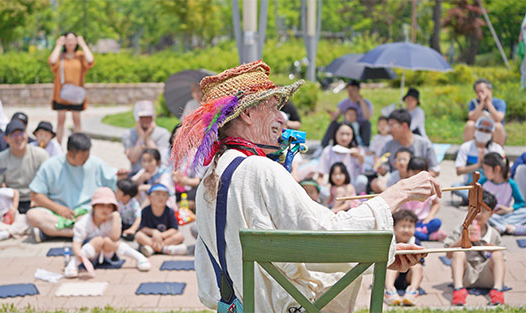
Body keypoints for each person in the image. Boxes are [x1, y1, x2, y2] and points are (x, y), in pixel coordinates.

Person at [171, 61, 434, 313]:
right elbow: (326, 236)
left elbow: (300, 247)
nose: (282, 119)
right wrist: (397, 193)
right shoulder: (260, 169)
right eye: (273, 108)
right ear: (248, 114)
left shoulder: (213, 172)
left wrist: (382, 254)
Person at [26, 133, 117, 242]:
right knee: (32, 215)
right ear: (70, 154)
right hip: (57, 213)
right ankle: (82, 233)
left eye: (87, 155)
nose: (86, 160)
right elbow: (35, 195)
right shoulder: (51, 165)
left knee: (103, 216)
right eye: (82, 157)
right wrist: (58, 209)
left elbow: (113, 183)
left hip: (86, 213)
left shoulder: (95, 163)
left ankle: (51, 233)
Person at [64, 187, 151, 278]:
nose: (105, 209)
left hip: (107, 255)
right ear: (94, 206)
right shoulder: (84, 222)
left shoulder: (112, 220)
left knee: (106, 241)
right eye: (101, 205)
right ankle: (73, 265)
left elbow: (115, 238)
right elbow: (76, 244)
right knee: (98, 240)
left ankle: (139, 257)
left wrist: (116, 217)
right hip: (87, 256)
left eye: (109, 206)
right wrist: (80, 257)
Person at [444, 191, 505, 306]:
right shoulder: (461, 229)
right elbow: (447, 254)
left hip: (487, 275)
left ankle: (498, 290)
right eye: (474, 209)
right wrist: (462, 240)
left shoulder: (494, 234)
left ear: (491, 214)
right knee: (458, 252)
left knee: (498, 253)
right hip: (466, 275)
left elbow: (501, 261)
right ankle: (458, 290)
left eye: (483, 211)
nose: (478, 214)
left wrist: (492, 249)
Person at [0, 119, 50, 213]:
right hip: (11, 201)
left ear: (26, 135)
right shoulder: (0, 159)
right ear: (6, 139)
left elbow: (49, 182)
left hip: (36, 199)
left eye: (21, 133)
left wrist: (40, 199)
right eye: (14, 135)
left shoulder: (41, 155)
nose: (19, 138)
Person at [48, 32, 95, 143]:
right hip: (61, 94)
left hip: (76, 94)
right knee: (60, 120)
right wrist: (58, 45)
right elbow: (52, 61)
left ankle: (78, 145)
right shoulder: (60, 57)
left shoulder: (80, 56)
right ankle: (58, 147)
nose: (70, 42)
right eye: (68, 40)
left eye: (73, 40)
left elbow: (90, 60)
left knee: (77, 120)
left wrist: (83, 44)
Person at [452, 116, 504, 205]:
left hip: (490, 186)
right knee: (455, 187)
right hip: (469, 186)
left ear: (491, 133)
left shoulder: (496, 149)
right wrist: (477, 165)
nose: (483, 133)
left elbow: (500, 173)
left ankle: (475, 199)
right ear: (476, 130)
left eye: (487, 131)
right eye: (481, 129)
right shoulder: (466, 147)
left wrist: (486, 164)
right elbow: (459, 171)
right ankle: (479, 199)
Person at [380, 109, 439, 176]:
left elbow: (435, 170)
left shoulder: (424, 144)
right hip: (396, 183)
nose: (389, 130)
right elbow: (384, 169)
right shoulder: (389, 145)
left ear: (404, 126)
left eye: (392, 125)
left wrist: (421, 179)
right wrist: (380, 168)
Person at [399, 157, 446, 242]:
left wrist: (429, 217)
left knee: (436, 222)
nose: (416, 176)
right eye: (413, 172)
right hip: (408, 222)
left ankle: (418, 233)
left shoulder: (427, 187)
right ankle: (429, 237)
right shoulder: (403, 186)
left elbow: (436, 204)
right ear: (408, 171)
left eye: (419, 173)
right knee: (403, 228)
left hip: (423, 222)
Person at [384, 210, 423, 306]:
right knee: (390, 266)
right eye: (403, 226)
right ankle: (389, 291)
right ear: (394, 228)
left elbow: (420, 261)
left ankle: (412, 291)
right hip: (393, 277)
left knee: (418, 267)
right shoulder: (391, 242)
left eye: (410, 227)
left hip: (408, 278)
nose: (406, 230)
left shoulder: (415, 242)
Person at [481, 152, 526, 234]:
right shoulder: (482, 183)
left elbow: (520, 202)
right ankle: (508, 228)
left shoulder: (510, 184)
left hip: (506, 215)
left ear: (497, 169)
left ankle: (500, 227)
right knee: (481, 216)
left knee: (524, 213)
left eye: (486, 169)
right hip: (489, 215)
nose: (484, 172)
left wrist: (508, 209)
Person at [136, 184, 187, 256]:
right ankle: (165, 249)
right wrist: (154, 232)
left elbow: (174, 229)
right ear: (149, 197)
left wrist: (161, 235)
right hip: (151, 238)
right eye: (157, 194)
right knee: (139, 235)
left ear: (167, 198)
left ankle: (152, 249)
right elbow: (143, 228)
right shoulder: (145, 211)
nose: (161, 197)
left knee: (179, 236)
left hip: (165, 238)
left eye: (164, 195)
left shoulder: (170, 211)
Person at [318, 122, 367, 194]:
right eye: (342, 134)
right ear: (335, 134)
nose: (344, 137)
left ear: (353, 135)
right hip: (333, 187)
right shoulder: (328, 150)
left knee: (362, 180)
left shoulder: (358, 150)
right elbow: (320, 175)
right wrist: (323, 184)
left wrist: (359, 156)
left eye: (348, 134)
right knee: (322, 191)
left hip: (351, 186)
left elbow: (362, 171)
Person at [123, 100, 171, 173]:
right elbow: (133, 158)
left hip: (157, 174)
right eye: (142, 117)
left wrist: (148, 138)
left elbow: (159, 158)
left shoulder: (163, 133)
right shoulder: (128, 134)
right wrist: (141, 137)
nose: (146, 119)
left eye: (148, 116)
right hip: (136, 173)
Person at [324, 80, 373, 147]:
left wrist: (361, 101)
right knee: (333, 124)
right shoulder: (344, 103)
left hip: (360, 127)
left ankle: (365, 146)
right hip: (346, 126)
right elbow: (335, 117)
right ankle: (324, 145)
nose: (350, 92)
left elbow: (367, 117)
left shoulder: (366, 103)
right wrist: (332, 115)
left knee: (367, 124)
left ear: (358, 90)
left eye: (353, 89)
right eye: (349, 89)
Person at [463, 79, 506, 146]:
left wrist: (488, 103)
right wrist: (482, 103)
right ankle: (468, 150)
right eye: (477, 92)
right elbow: (472, 118)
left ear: (490, 90)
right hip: (478, 131)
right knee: (469, 124)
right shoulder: (473, 103)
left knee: (498, 126)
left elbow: (498, 119)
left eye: (482, 91)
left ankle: (498, 153)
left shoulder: (499, 102)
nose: (479, 94)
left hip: (492, 131)